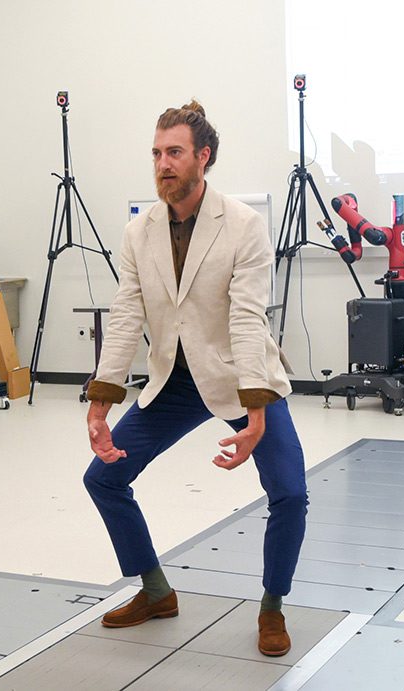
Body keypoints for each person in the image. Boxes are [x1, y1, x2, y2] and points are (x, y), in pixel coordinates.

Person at [82, 99, 308, 657]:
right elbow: (127, 313)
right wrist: (99, 403)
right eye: (157, 153)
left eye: (175, 152)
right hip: (173, 382)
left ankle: (272, 606)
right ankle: (156, 591)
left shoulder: (243, 226)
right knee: (102, 479)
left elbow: (248, 319)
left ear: (203, 157)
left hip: (238, 376)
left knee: (291, 494)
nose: (163, 163)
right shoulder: (140, 232)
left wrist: (255, 411)